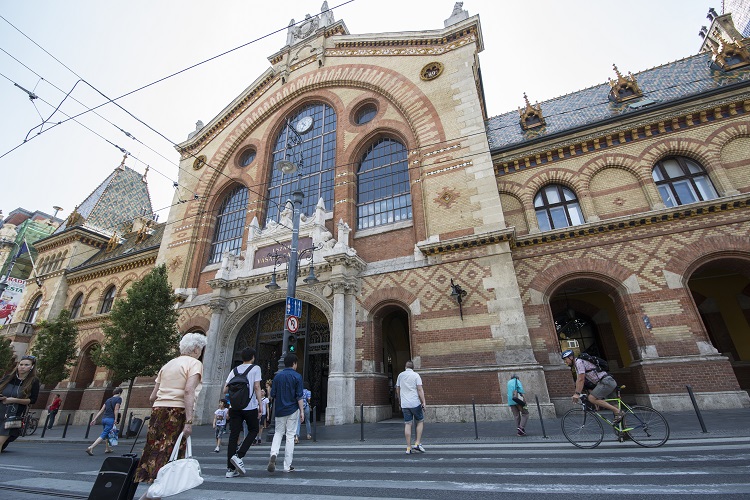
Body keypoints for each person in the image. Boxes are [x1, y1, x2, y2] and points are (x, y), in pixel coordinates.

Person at [133, 332, 206, 500]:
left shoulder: (167, 365)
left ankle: (153, 494)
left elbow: (152, 396)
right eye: (201, 349)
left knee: (156, 452)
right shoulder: (194, 363)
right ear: (195, 349)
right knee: (169, 455)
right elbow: (189, 391)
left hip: (158, 411)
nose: (201, 352)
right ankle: (149, 496)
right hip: (176, 412)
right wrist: (188, 421)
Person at [223, 347, 263, 478]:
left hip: (234, 408)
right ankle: (239, 455)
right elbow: (257, 387)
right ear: (252, 357)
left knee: (233, 436)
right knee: (254, 430)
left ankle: (230, 469)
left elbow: (225, 390)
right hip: (249, 406)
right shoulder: (255, 368)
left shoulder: (234, 370)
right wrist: (260, 404)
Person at [562, 350, 624, 422]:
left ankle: (618, 412)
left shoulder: (579, 362)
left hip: (605, 382)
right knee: (614, 406)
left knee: (592, 398)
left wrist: (577, 393)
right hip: (606, 382)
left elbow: (581, 379)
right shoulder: (578, 364)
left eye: (565, 359)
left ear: (571, 357)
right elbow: (583, 381)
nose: (565, 362)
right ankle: (624, 431)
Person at [267, 353, 304, 473]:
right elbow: (299, 396)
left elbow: (272, 395)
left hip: (279, 409)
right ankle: (287, 465)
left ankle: (274, 453)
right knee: (290, 436)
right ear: (294, 364)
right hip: (293, 409)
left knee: (278, 433)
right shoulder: (297, 376)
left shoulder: (278, 377)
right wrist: (302, 411)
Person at [0, 355, 40, 453]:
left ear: (32, 367)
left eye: (26, 365)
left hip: (12, 416)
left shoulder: (33, 381)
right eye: (21, 364)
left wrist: (14, 400)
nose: (22, 367)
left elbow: (32, 400)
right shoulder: (9, 378)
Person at [395, 360, 426, 454]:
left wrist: (400, 401)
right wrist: (423, 401)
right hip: (415, 403)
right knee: (420, 421)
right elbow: (420, 389)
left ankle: (408, 447)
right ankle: (417, 443)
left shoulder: (400, 375)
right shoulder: (416, 375)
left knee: (408, 424)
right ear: (413, 368)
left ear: (405, 367)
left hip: (405, 404)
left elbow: (397, 389)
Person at [87, 387, 122, 455]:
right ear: (120, 393)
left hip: (104, 419)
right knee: (104, 434)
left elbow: (101, 410)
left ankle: (107, 448)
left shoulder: (108, 400)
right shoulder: (118, 399)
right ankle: (91, 447)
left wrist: (94, 419)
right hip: (110, 419)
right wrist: (115, 419)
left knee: (107, 434)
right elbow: (116, 409)